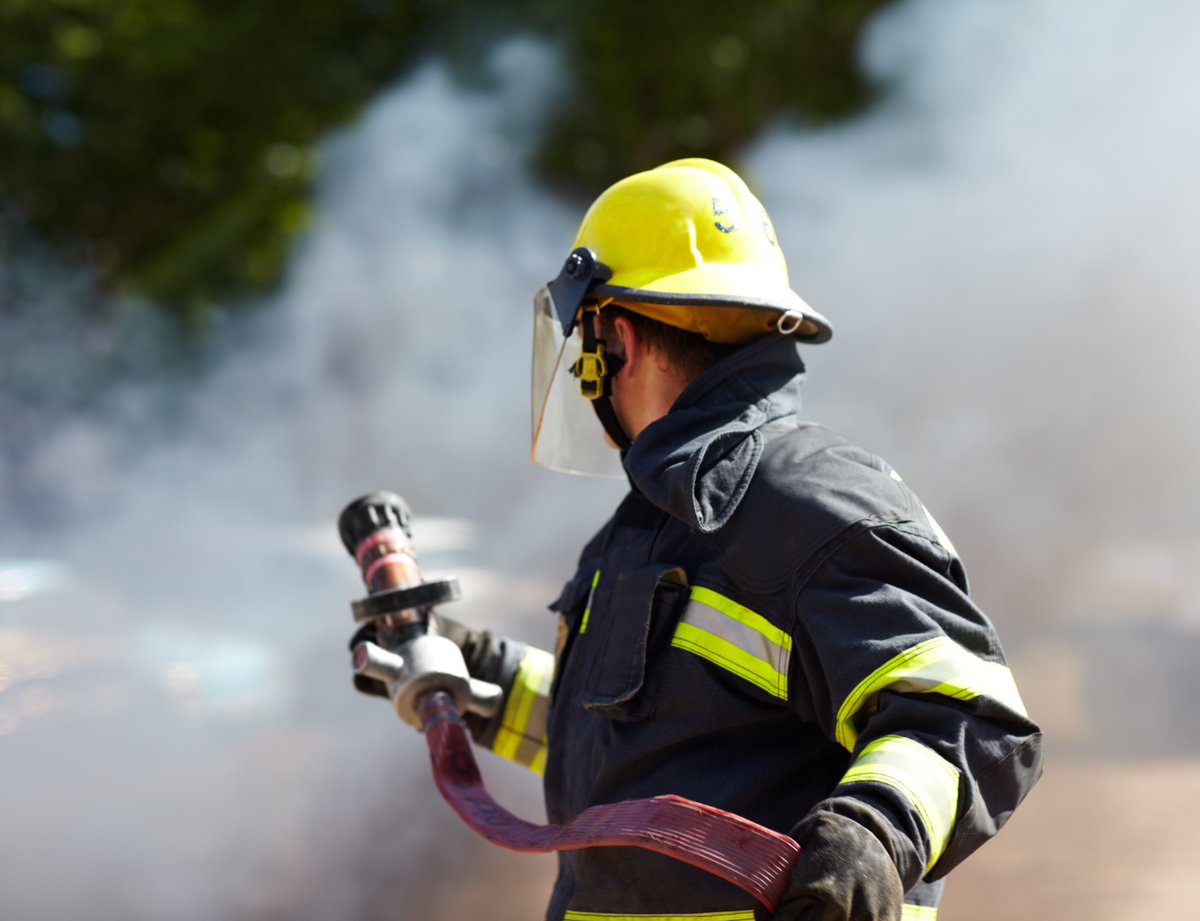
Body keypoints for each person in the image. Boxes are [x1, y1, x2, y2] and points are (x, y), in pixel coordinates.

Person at [367, 158, 1043, 921]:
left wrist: (873, 834)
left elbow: (969, 720)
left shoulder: (813, 505)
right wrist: (473, 678)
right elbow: (642, 755)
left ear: (611, 336)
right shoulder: (650, 526)